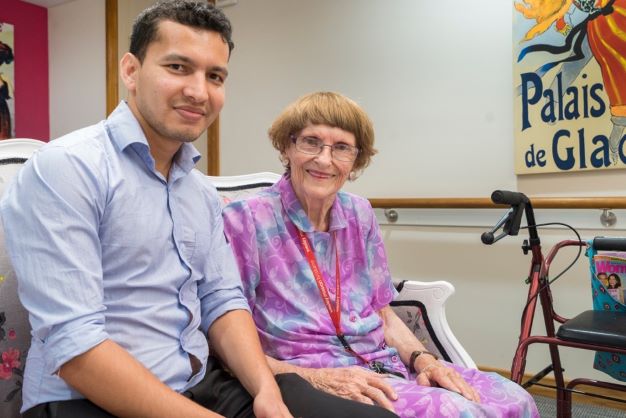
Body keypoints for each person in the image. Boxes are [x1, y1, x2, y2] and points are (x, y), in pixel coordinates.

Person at [0, 3, 396, 418]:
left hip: (201, 384)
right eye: (177, 67)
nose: (198, 91)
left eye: (215, 76)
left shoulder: (198, 190)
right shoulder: (67, 169)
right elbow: (76, 344)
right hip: (87, 400)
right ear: (131, 71)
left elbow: (221, 298)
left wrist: (267, 390)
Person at [222, 91, 540, 417]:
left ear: (356, 160)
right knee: (458, 413)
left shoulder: (360, 213)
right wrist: (314, 377)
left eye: (341, 148)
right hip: (312, 376)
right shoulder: (246, 219)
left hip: (383, 365)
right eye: (311, 142)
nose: (324, 159)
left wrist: (425, 360)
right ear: (287, 147)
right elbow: (226, 333)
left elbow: (383, 314)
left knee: (516, 399)